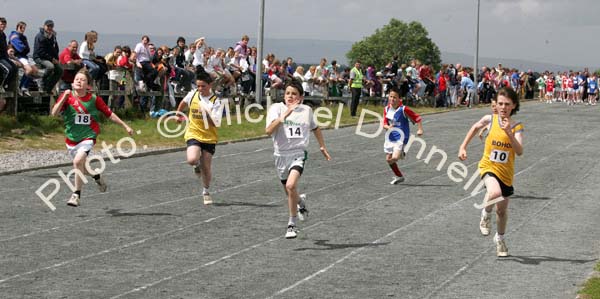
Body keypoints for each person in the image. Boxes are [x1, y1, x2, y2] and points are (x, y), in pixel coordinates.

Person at [50, 69, 133, 207]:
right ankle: (97, 176)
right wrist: (64, 97)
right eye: (77, 79)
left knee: (77, 162)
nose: (79, 81)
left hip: (88, 136)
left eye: (82, 80)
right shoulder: (67, 97)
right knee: (81, 166)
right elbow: (54, 113)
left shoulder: (94, 99)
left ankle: (76, 195)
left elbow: (110, 114)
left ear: (88, 86)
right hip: (71, 139)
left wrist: (125, 126)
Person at [458, 87, 524, 257]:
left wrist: (509, 133)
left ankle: (500, 238)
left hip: (506, 173)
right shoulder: (490, 120)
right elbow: (474, 128)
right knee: (494, 192)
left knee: (501, 211)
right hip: (488, 166)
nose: (502, 107)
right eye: (500, 103)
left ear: (513, 106)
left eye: (507, 104)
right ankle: (485, 214)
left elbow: (519, 151)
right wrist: (463, 147)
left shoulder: (517, 127)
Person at [265, 80, 331, 239]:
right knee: (290, 192)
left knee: (291, 185)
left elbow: (315, 128)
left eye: (294, 94)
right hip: (280, 155)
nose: (290, 96)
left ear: (301, 97)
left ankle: (291, 225)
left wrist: (322, 146)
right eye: (287, 93)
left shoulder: (306, 110)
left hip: (298, 154)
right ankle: (301, 203)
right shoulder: (276, 108)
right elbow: (268, 131)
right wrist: (283, 116)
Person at [176, 70, 222, 205]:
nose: (200, 89)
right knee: (191, 159)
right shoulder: (193, 94)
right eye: (198, 86)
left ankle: (206, 191)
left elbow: (216, 123)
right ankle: (196, 165)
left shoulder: (216, 102)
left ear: (210, 85)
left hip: (209, 137)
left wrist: (207, 113)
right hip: (193, 132)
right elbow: (183, 103)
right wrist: (179, 114)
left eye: (203, 86)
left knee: (206, 167)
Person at [382, 84, 424, 185]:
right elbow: (384, 123)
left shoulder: (404, 109)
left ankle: (400, 152)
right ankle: (399, 176)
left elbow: (417, 118)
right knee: (388, 159)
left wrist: (420, 129)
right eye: (390, 97)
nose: (392, 99)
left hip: (401, 138)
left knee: (395, 158)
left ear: (399, 99)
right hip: (390, 137)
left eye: (394, 97)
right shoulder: (386, 109)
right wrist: (388, 127)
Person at [9, 21, 39, 96]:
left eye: (24, 28)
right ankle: (21, 87)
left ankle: (25, 86)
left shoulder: (24, 37)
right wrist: (24, 48)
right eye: (22, 28)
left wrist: (24, 48)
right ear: (18, 27)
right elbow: (20, 48)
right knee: (29, 70)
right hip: (18, 56)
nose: (23, 30)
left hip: (25, 56)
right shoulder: (14, 36)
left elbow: (27, 49)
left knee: (35, 71)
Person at [33, 20, 62, 94]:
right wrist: (52, 59)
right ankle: (41, 82)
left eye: (51, 26)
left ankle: (48, 87)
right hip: (39, 57)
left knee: (60, 70)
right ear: (44, 26)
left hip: (49, 58)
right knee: (50, 67)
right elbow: (40, 52)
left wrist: (56, 59)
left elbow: (55, 49)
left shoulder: (52, 36)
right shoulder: (40, 36)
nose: (50, 28)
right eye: (48, 26)